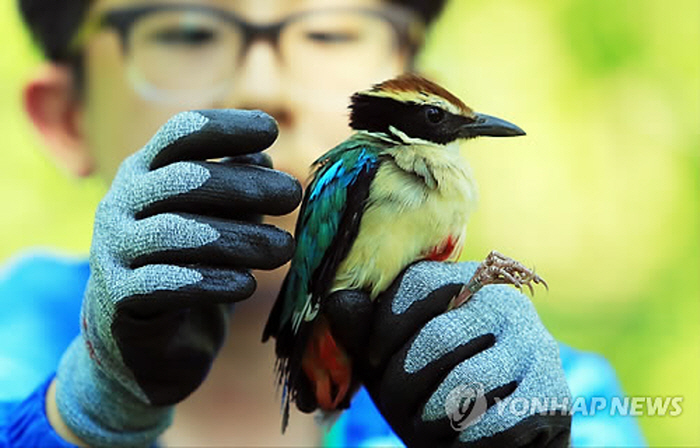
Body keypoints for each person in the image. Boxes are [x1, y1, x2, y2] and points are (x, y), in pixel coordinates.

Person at [0, 0, 646, 446]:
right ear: (64, 116)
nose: (259, 85)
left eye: (330, 30)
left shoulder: (546, 388)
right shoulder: (14, 341)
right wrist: (89, 413)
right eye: (188, 31)